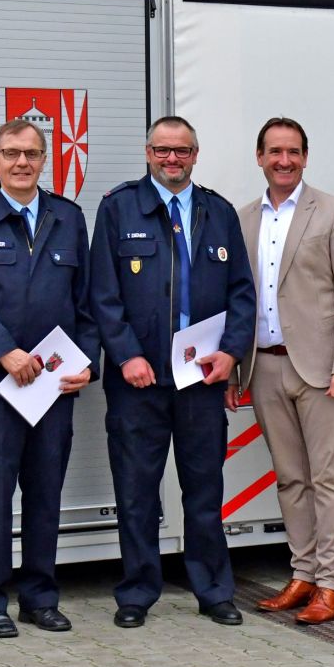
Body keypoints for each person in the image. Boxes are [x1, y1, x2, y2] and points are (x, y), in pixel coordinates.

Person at [89, 116, 257, 629]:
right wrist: (127, 355)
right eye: (162, 150)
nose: (172, 159)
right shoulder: (119, 208)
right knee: (136, 493)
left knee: (204, 491)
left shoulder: (218, 212)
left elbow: (242, 293)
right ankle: (137, 592)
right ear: (148, 153)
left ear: (195, 155)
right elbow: (102, 294)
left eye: (182, 151)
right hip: (137, 382)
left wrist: (230, 354)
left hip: (201, 380)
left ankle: (214, 591)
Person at [0, 119, 99, 639]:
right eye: (11, 153)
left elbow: (86, 301)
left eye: (31, 153)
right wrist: (2, 352)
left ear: (45, 158)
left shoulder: (68, 217)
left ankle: (40, 598)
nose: (22, 162)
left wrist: (87, 363)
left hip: (51, 388)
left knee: (45, 495)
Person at [236, 118, 334, 625]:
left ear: (305, 157)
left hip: (323, 371)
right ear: (260, 157)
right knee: (291, 480)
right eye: (274, 151)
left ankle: (332, 585)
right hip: (264, 367)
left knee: (331, 480)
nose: (284, 160)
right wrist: (236, 371)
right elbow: (237, 299)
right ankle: (304, 574)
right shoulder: (244, 218)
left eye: (293, 151)